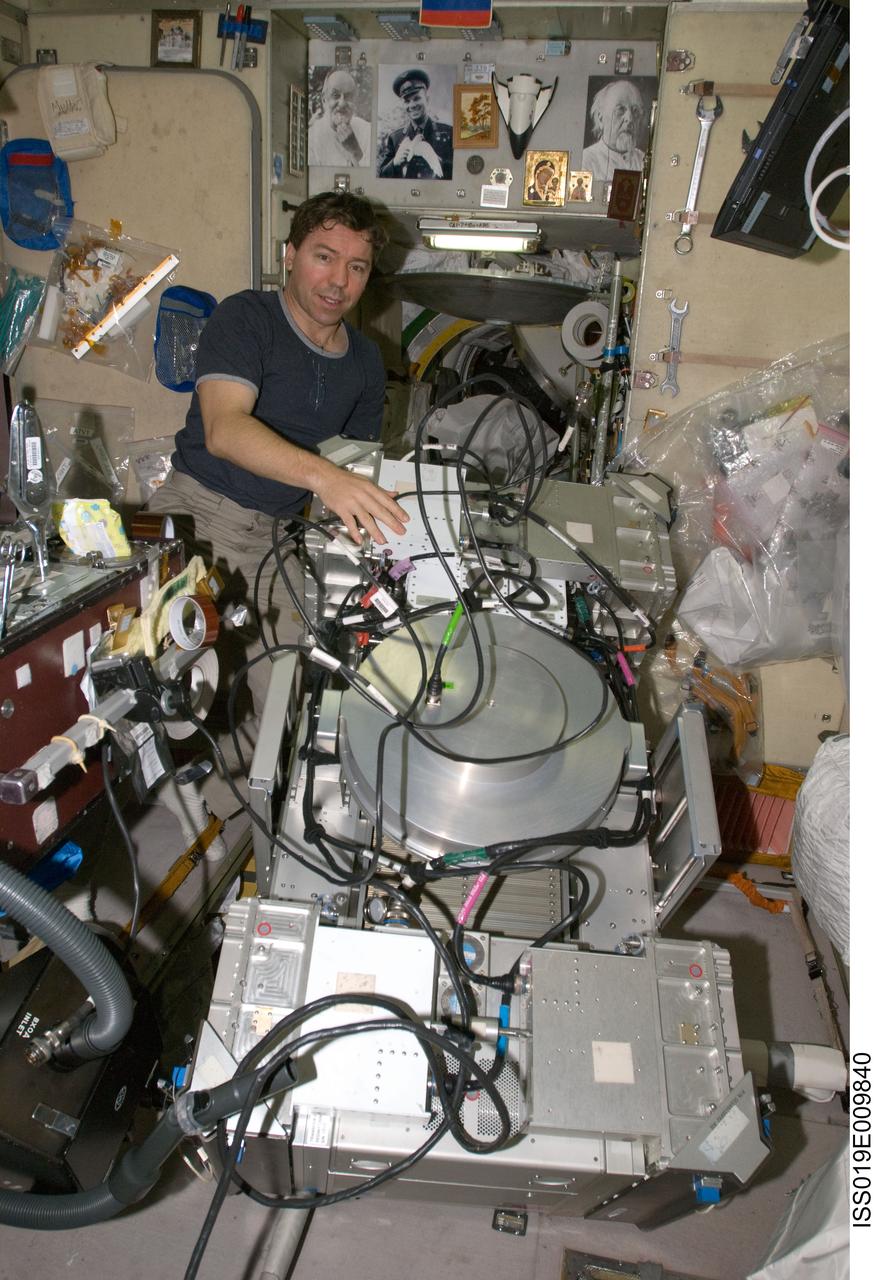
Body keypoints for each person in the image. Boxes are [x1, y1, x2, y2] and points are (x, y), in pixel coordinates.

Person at [146, 192, 408, 729]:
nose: (338, 281)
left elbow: (353, 468)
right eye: (324, 257)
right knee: (154, 692)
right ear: (290, 255)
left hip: (276, 540)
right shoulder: (246, 317)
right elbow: (224, 430)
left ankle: (235, 789)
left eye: (357, 267)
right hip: (196, 519)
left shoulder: (365, 361)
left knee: (282, 712)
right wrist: (326, 479)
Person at [377, 69, 453, 180]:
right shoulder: (395, 138)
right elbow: (381, 177)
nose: (412, 105)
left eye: (417, 98)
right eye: (407, 101)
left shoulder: (449, 133)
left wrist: (437, 160)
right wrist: (394, 162)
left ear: (427, 99)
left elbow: (459, 173)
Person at [580, 80, 646, 183]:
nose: (630, 119)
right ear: (601, 118)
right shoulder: (586, 161)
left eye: (635, 111)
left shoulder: (644, 160)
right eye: (620, 109)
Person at [308, 68, 371, 167]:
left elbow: (372, 175)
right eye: (335, 95)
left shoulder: (367, 131)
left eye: (348, 96)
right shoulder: (312, 138)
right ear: (324, 100)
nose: (342, 103)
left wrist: (355, 151)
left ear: (355, 100)